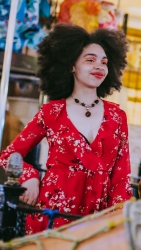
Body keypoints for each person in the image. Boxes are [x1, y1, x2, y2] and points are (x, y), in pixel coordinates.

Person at [0, 24, 132, 234]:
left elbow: (121, 176)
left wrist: (119, 219)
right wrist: (30, 177)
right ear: (71, 65)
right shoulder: (51, 112)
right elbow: (9, 155)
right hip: (52, 213)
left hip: (99, 216)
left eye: (104, 62)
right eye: (90, 60)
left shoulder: (118, 117)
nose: (99, 66)